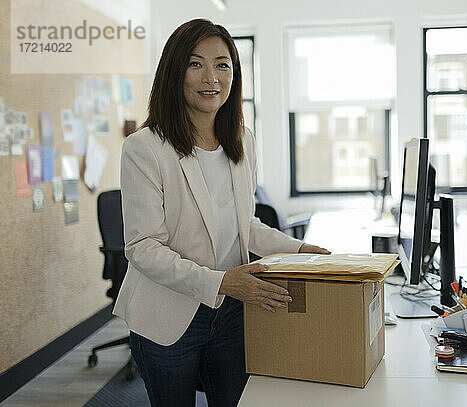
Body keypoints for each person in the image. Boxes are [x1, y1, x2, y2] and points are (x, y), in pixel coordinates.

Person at [113, 18, 330, 407]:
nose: (210, 77)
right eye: (195, 64)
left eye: (222, 64)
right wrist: (221, 282)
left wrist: (301, 250)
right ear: (173, 72)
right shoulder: (144, 148)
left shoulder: (241, 140)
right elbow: (143, 247)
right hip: (167, 313)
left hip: (233, 311)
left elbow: (243, 225)